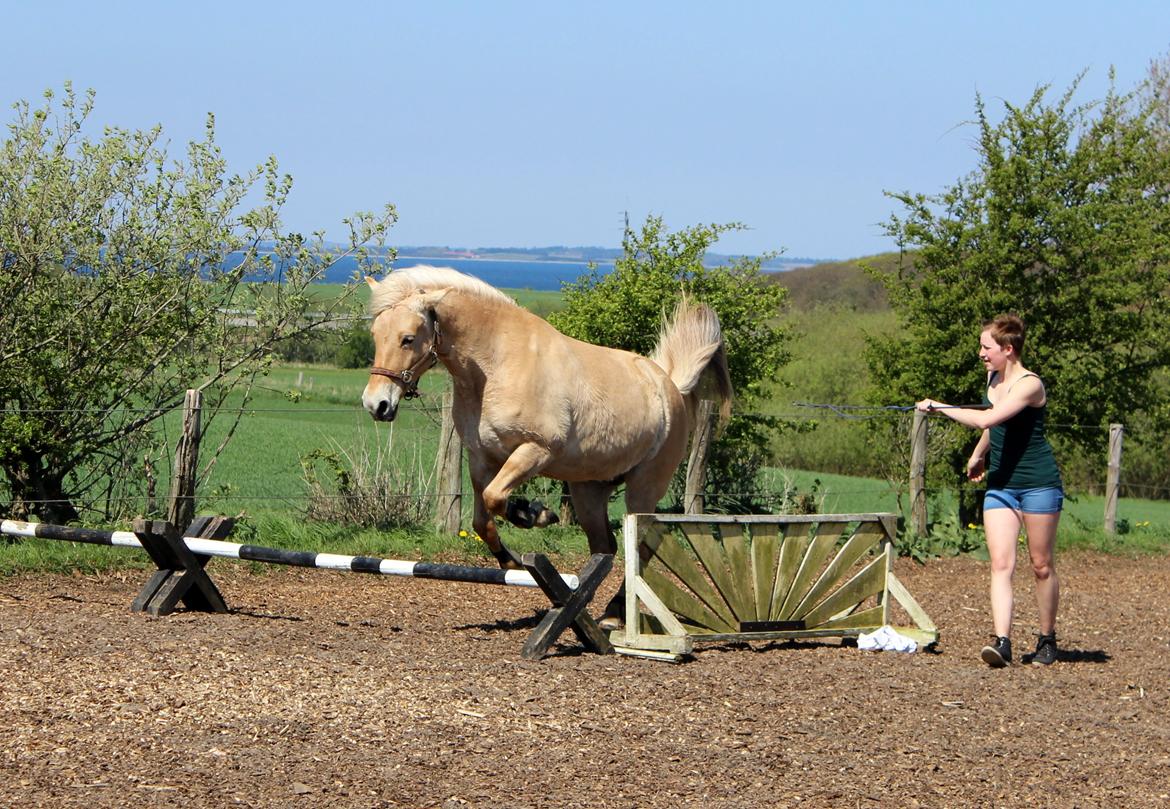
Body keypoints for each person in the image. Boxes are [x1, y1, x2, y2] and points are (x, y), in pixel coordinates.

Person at [916, 314, 1063, 668]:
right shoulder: (993, 377)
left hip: (1038, 484)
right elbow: (995, 425)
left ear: (1008, 349)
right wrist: (978, 455)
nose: (981, 354)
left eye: (986, 347)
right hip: (1001, 484)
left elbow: (986, 418)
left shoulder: (1030, 385)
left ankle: (1047, 639)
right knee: (1000, 564)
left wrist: (939, 407)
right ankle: (1003, 642)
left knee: (1041, 565)